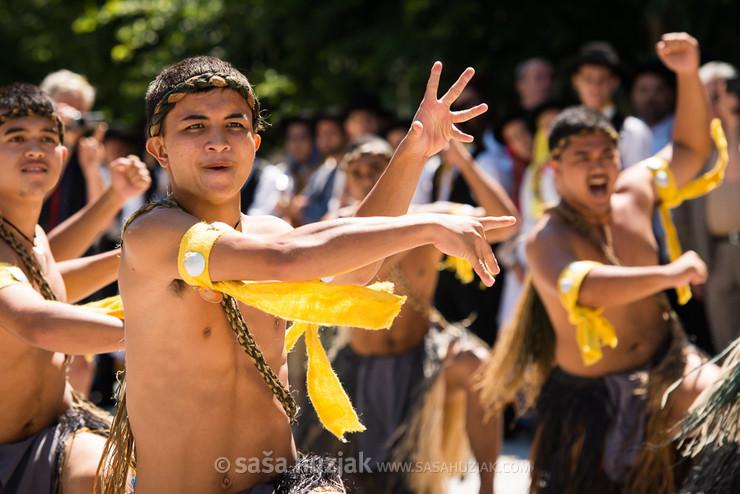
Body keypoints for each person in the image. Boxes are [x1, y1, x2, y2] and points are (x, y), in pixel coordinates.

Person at [100, 56, 514, 494]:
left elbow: (353, 270)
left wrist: (413, 152)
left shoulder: (270, 231)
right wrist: (426, 225)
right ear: (159, 149)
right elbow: (288, 259)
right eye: (195, 126)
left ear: (255, 143)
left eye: (235, 126)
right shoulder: (151, 234)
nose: (218, 142)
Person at [478, 33, 722, 493]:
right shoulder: (545, 238)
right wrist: (669, 274)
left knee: (720, 402)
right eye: (582, 157)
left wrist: (688, 72)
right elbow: (584, 287)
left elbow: (690, 149)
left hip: (667, 366)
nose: (599, 166)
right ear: (555, 167)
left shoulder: (636, 190)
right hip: (586, 399)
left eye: (607, 154)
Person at [297, 134, 518, 494]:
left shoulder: (434, 219)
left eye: (379, 170)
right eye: (358, 172)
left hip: (424, 357)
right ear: (347, 179)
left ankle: (488, 488)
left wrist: (462, 160)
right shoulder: (337, 226)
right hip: (361, 363)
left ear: (398, 173)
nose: (369, 179)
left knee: (477, 363)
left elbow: (508, 224)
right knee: (359, 482)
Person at [0, 82, 142, 494]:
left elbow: (52, 276)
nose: (34, 149)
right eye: (16, 138)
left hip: (54, 436)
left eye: (47, 138)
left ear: (62, 157)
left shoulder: (29, 237)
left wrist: (144, 257)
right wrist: (156, 331)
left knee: (115, 472)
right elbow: (34, 322)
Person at [565, 40, 654, 168]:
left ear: (614, 82)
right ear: (576, 81)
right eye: (588, 78)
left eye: (602, 79)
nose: (595, 86)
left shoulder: (632, 131)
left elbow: (637, 182)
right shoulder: (565, 130)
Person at [629, 59, 677, 153]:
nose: (650, 97)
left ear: (671, 93)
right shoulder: (624, 130)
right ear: (632, 94)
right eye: (643, 90)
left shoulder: (682, 130)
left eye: (658, 90)